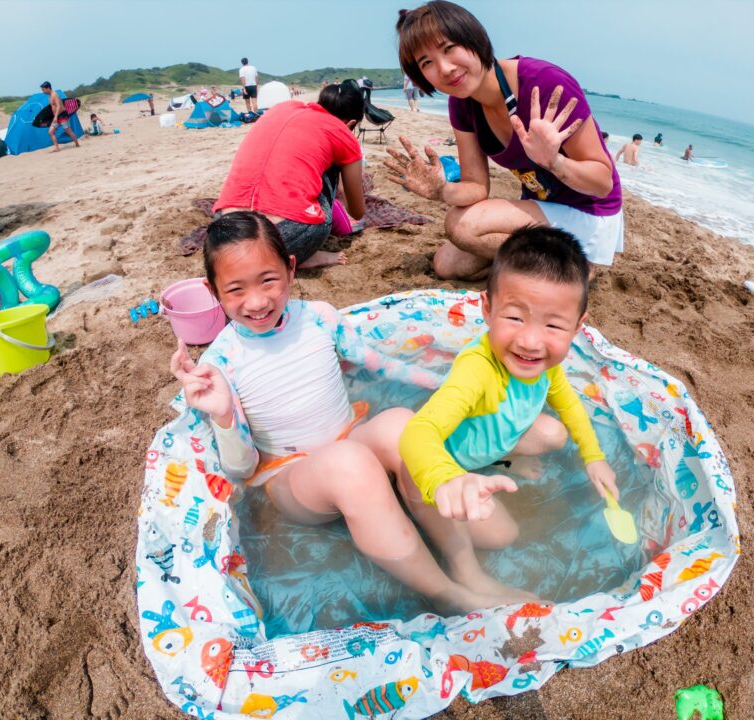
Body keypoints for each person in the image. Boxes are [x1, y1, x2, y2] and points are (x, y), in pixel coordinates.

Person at [170, 210, 516, 613]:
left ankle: (467, 570)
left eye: (268, 280)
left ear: (290, 269)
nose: (258, 301)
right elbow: (241, 468)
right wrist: (224, 415)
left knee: (404, 427)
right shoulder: (222, 362)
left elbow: (377, 364)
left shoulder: (319, 317)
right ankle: (447, 593)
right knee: (349, 462)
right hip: (292, 476)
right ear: (213, 292)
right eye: (235, 289)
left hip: (349, 438)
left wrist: (444, 384)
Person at [398, 227, 618, 591]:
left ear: (578, 326)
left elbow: (570, 407)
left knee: (555, 432)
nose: (530, 342)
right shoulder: (477, 369)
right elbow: (418, 433)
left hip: (487, 445)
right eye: (515, 318)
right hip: (439, 469)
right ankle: (464, 571)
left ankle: (502, 460)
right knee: (502, 535)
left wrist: (594, 458)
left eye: (553, 325)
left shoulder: (547, 366)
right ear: (487, 309)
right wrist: (444, 479)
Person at [388, 1, 622, 282]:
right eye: (427, 62)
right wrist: (441, 190)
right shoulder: (462, 103)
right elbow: (476, 187)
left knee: (462, 225)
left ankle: (572, 266)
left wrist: (555, 162)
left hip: (589, 211)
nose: (445, 68)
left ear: (473, 37)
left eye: (449, 48)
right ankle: (551, 267)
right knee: (447, 264)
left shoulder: (544, 83)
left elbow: (602, 182)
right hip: (542, 210)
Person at [213, 81, 366, 269]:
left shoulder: (282, 108)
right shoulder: (342, 133)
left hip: (223, 232)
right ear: (351, 123)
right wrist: (342, 176)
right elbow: (357, 211)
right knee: (330, 170)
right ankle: (298, 256)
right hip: (282, 236)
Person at [40, 81, 80, 152]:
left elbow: (59, 106)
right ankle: (57, 148)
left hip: (62, 115)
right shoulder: (49, 96)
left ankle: (77, 144)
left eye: (43, 90)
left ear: (48, 88)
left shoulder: (54, 94)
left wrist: (55, 117)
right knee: (51, 132)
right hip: (56, 116)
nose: (43, 91)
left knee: (68, 131)